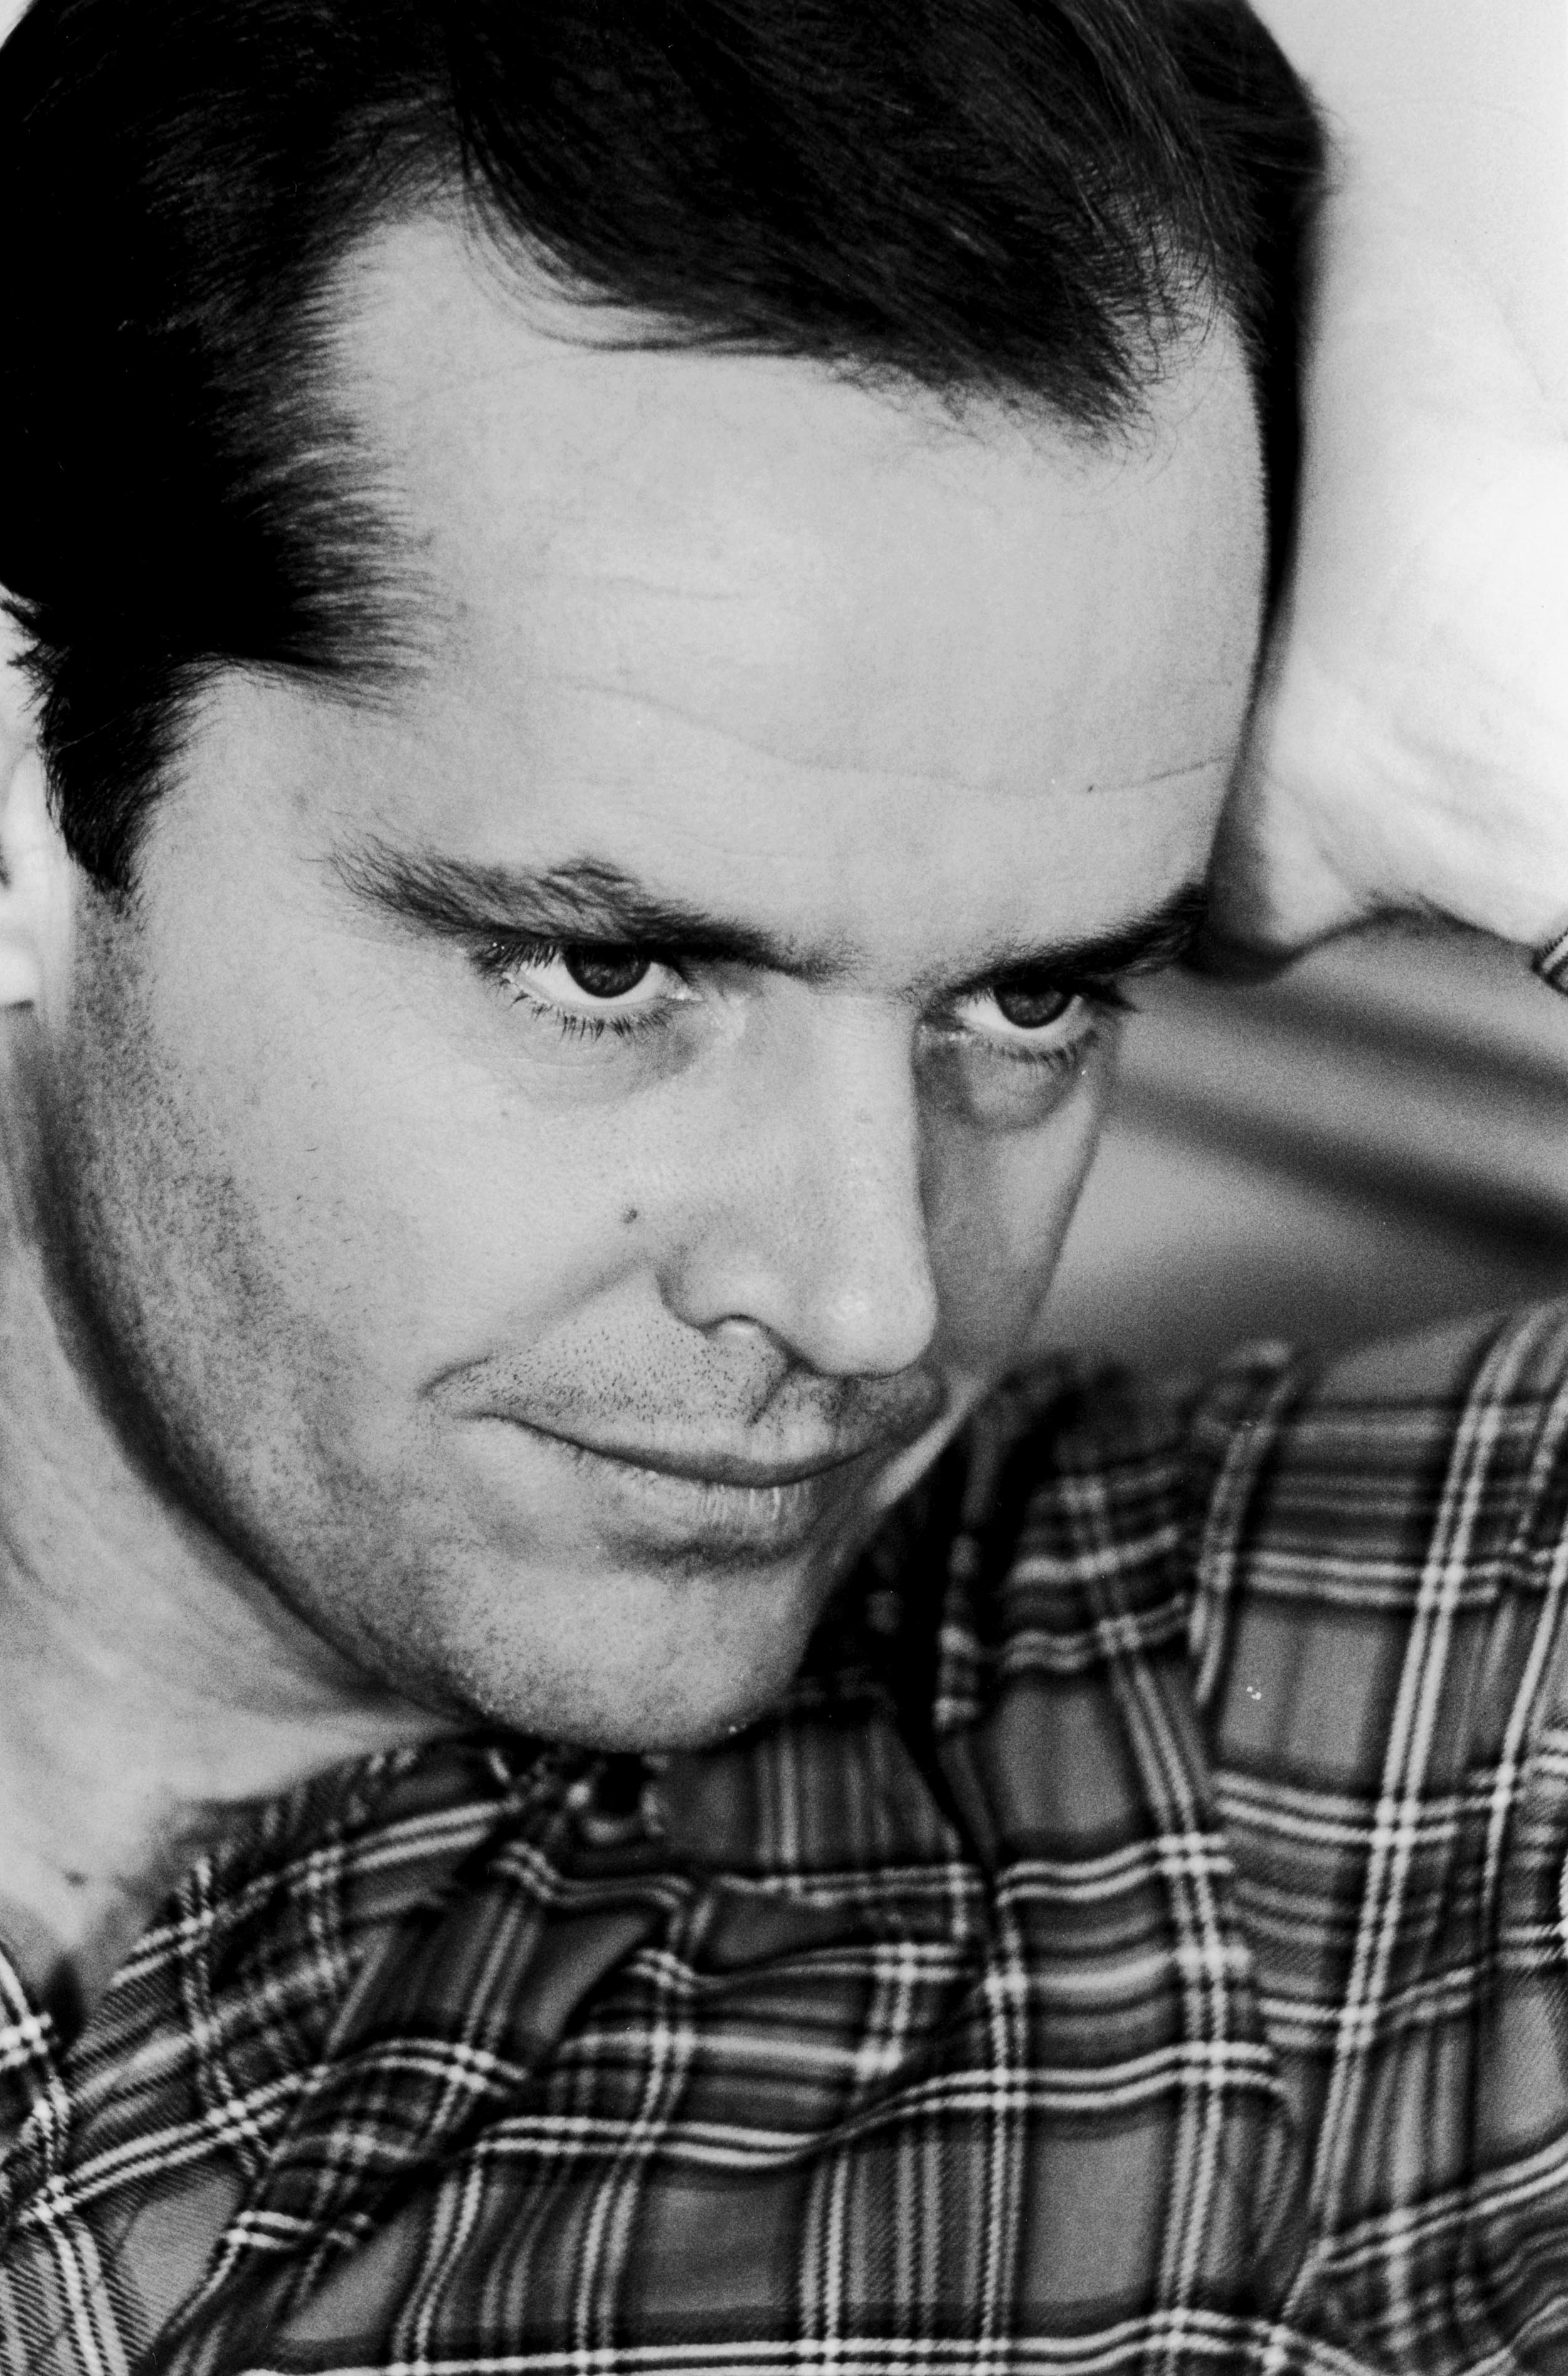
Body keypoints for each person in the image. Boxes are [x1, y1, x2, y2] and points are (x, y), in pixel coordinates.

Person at [1, 0, 1565, 2369]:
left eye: (1030, 998)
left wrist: (1505, 703)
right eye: (609, 969)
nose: (868, 1299)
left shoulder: (1313, 1803)